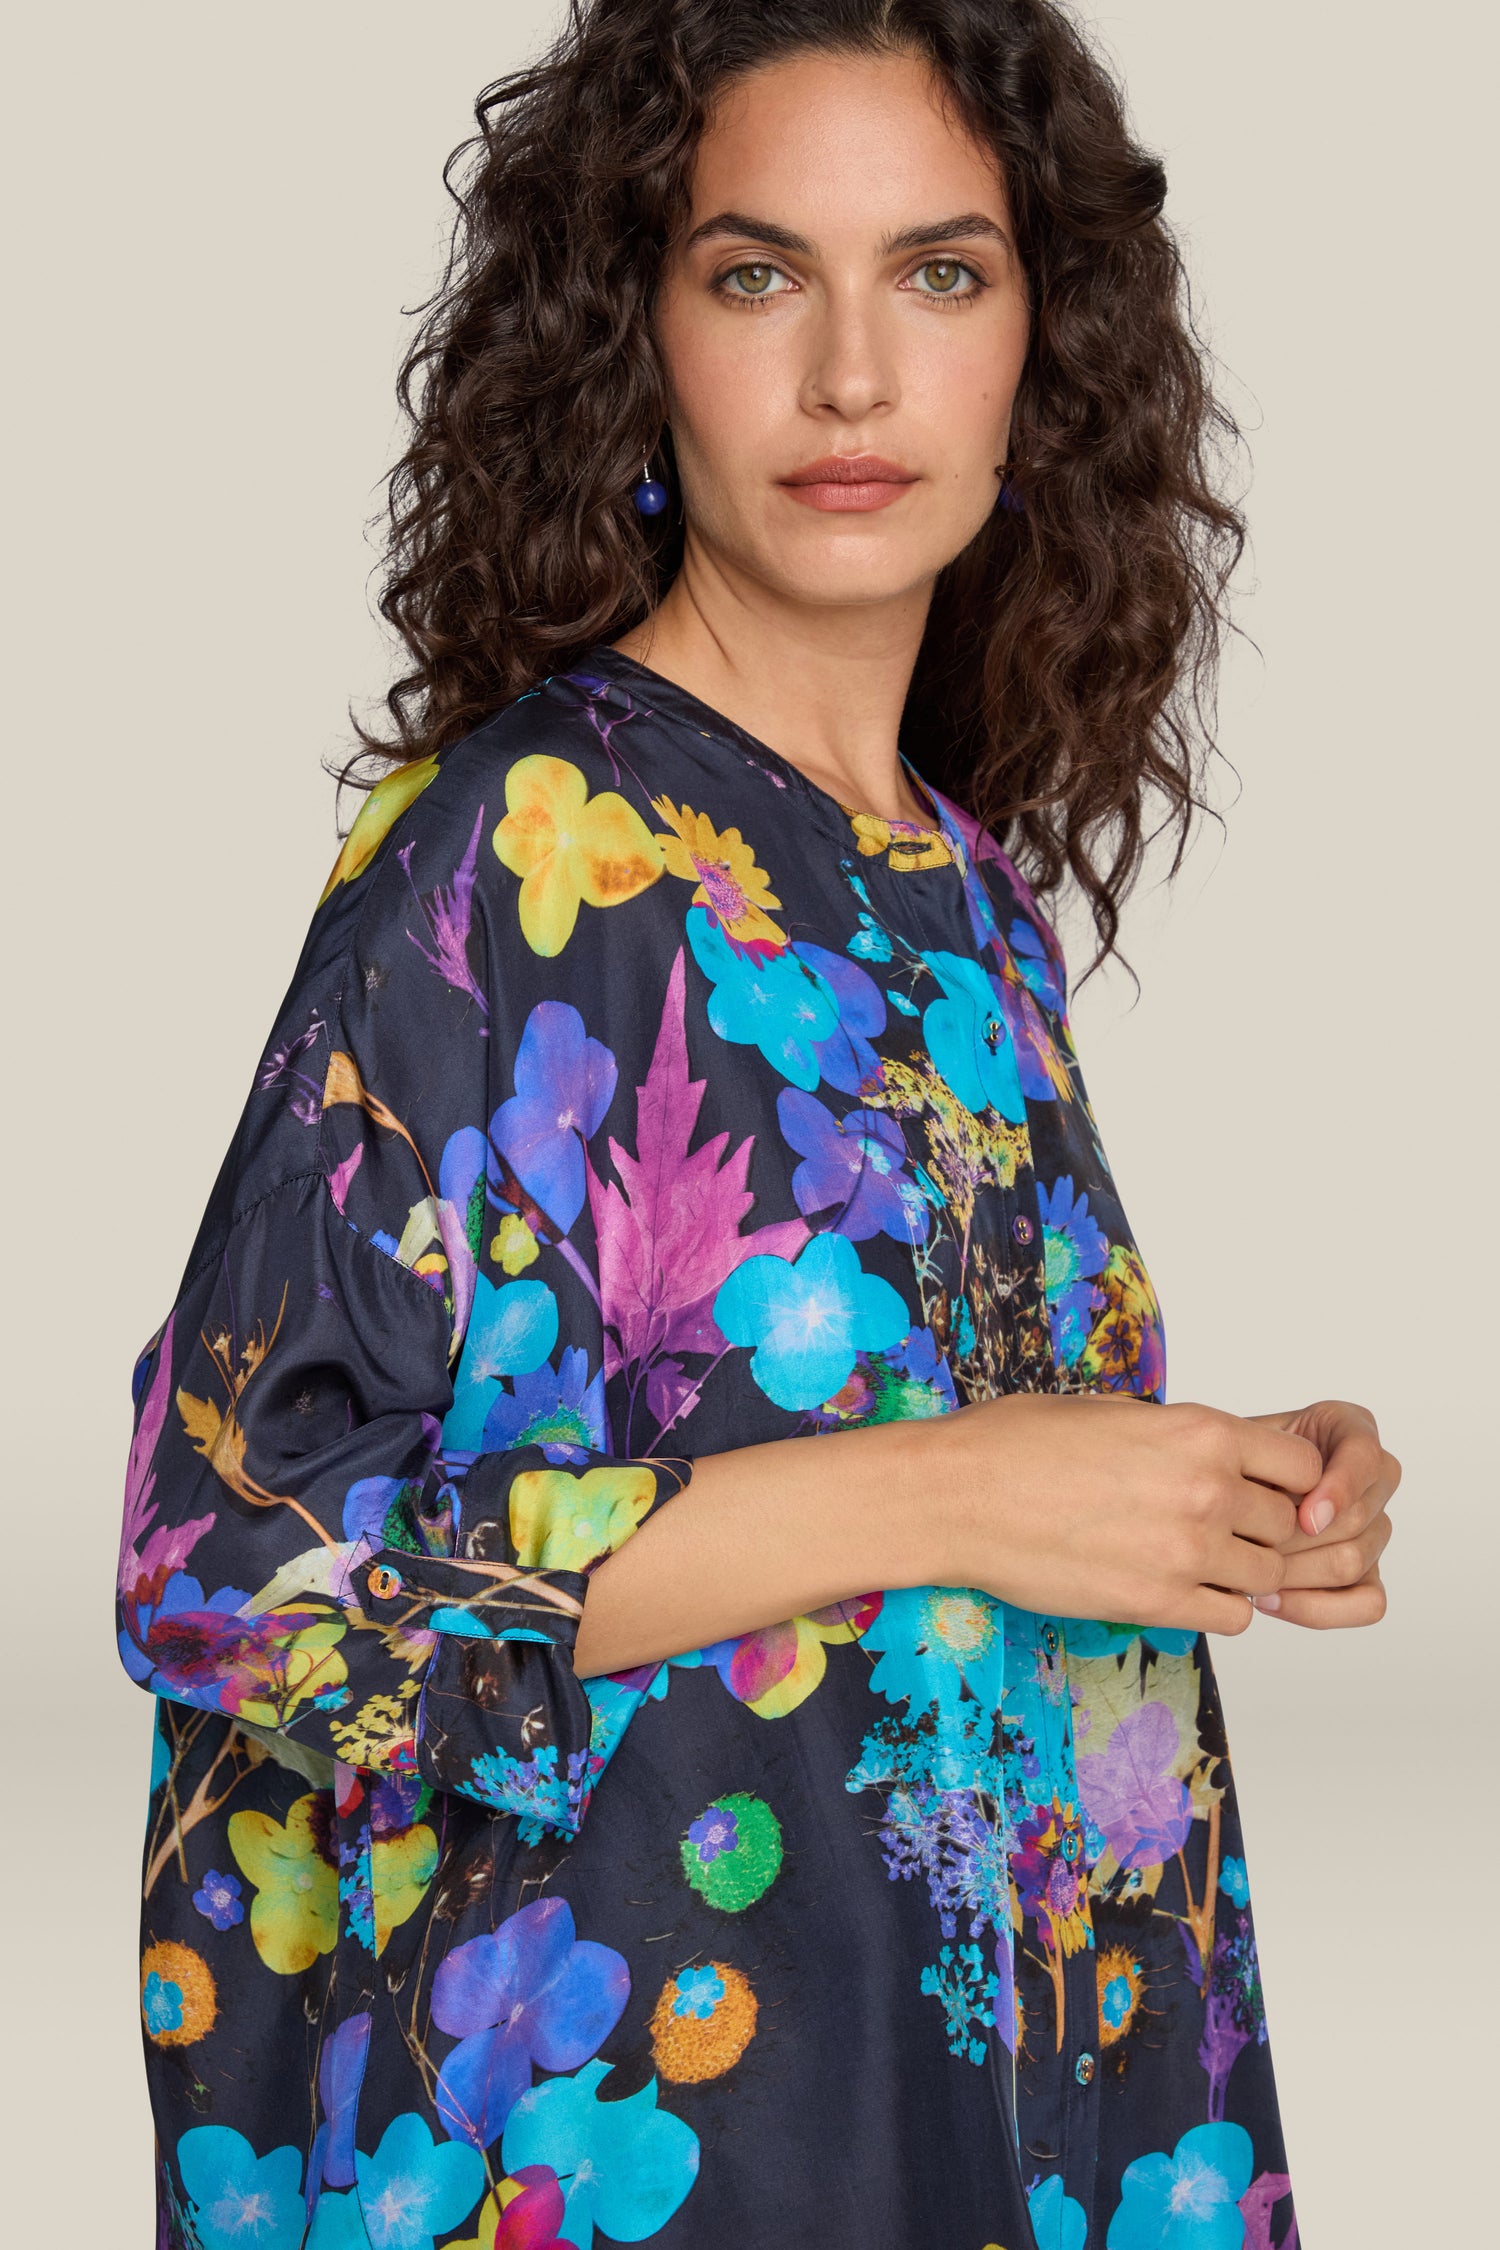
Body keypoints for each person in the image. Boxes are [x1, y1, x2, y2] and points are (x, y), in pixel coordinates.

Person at [116, 4, 1398, 2245]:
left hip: (989, 2114)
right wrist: (950, 1492)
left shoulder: (956, 891)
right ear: (636, 334)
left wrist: (1218, 1503)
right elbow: (232, 1570)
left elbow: (935, 1536)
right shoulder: (512, 852)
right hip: (653, 2142)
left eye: (939, 272)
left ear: (1042, 351)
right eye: (752, 273)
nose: (849, 377)